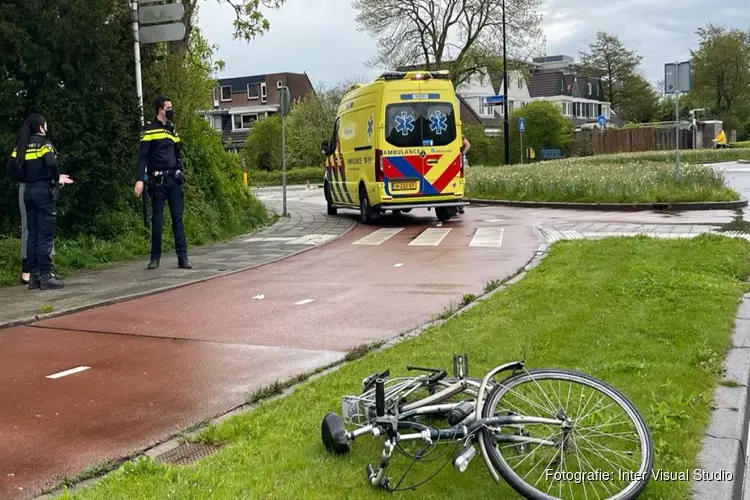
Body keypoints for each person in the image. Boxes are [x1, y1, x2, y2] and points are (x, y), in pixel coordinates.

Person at [6, 113, 73, 290]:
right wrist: (56, 177)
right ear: (41, 126)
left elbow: (10, 167)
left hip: (27, 190)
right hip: (43, 191)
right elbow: (51, 163)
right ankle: (46, 275)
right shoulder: (45, 145)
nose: (47, 127)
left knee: (32, 233)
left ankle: (34, 277)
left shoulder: (22, 146)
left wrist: (25, 177)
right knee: (45, 234)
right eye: (46, 124)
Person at [134, 96, 191, 270]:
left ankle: (183, 258)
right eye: (168, 108)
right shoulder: (149, 130)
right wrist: (139, 179)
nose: (171, 111)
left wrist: (180, 170)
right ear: (160, 109)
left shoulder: (172, 130)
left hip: (173, 179)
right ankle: (155, 258)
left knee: (177, 219)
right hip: (157, 180)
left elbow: (178, 153)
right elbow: (142, 156)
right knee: (157, 219)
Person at [458, 135, 471, 214]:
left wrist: (462, 154)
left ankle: (459, 206)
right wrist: (462, 154)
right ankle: (460, 206)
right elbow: (468, 145)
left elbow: (468, 145)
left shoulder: (460, 135)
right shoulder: (458, 134)